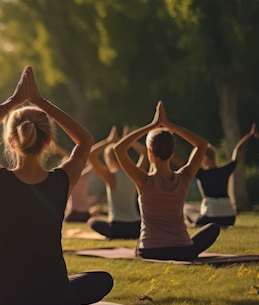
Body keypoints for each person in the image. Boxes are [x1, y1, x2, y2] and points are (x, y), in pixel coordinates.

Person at [0, 66, 113, 305]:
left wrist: (13, 102)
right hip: (54, 296)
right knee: (103, 279)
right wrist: (42, 103)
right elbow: (85, 141)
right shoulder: (63, 180)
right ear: (48, 142)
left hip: (2, 299)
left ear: (11, 141)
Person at [114, 101, 220, 261]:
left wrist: (153, 125)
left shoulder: (144, 180)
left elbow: (119, 149)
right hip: (183, 250)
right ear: (172, 153)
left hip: (150, 251)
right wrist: (169, 125)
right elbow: (202, 145)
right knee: (213, 228)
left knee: (139, 243)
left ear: (150, 153)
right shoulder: (184, 177)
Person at [184, 123, 258, 226]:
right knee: (195, 210)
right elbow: (238, 149)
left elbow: (182, 164)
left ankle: (192, 224)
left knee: (187, 208)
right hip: (229, 218)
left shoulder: (201, 173)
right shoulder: (225, 170)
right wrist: (250, 134)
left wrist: (171, 155)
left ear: (203, 159)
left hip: (209, 218)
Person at [87, 126, 145, 239]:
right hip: (136, 226)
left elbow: (91, 155)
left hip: (117, 227)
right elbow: (144, 153)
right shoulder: (135, 174)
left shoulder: (111, 177)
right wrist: (129, 141)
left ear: (109, 160)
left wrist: (108, 141)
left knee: (92, 221)